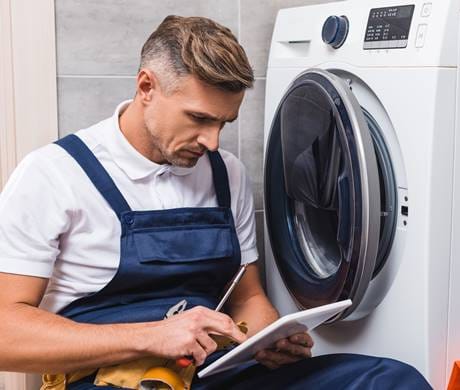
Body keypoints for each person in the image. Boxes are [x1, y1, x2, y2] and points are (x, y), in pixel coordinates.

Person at [0, 15, 431, 390]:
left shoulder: (227, 173)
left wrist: (265, 340)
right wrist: (152, 336)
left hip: (213, 374)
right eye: (199, 118)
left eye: (224, 122)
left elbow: (248, 300)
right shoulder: (53, 174)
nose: (212, 141)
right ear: (146, 86)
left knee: (388, 379)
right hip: (108, 380)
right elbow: (6, 334)